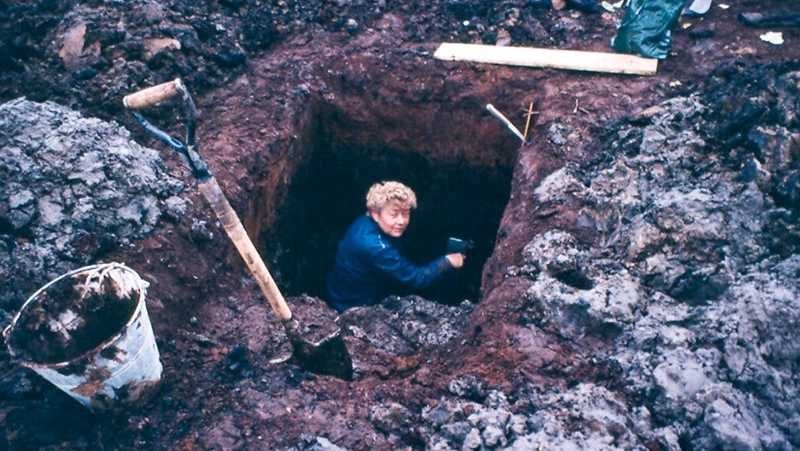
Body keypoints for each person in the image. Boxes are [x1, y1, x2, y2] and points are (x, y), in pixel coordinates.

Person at [326, 181, 465, 312]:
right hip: (353, 305)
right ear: (375, 213)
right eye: (394, 214)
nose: (401, 221)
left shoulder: (366, 221)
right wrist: (447, 261)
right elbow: (417, 279)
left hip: (345, 287)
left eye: (406, 214)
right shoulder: (375, 247)